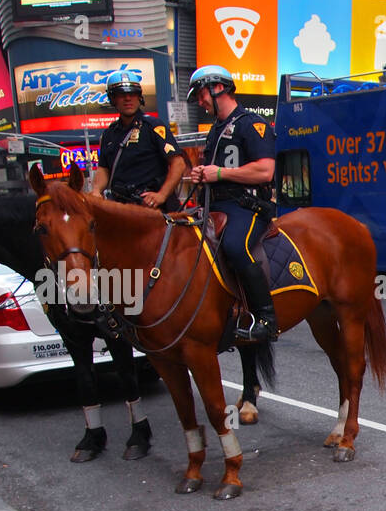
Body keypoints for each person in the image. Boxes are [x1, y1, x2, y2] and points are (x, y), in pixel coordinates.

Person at [183, 64, 279, 343]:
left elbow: (265, 171)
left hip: (246, 207)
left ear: (217, 88)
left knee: (236, 247)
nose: (200, 102)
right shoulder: (215, 130)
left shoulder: (252, 124)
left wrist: (221, 173)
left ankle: (266, 318)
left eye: (200, 95)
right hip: (214, 205)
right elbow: (216, 171)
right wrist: (202, 175)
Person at [91, 69, 186, 211]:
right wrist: (96, 191)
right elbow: (104, 169)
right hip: (121, 209)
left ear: (139, 96)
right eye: (122, 95)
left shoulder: (154, 126)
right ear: (113, 98)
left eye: (132, 94)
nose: (128, 99)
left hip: (152, 209)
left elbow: (178, 164)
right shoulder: (108, 135)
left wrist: (162, 195)